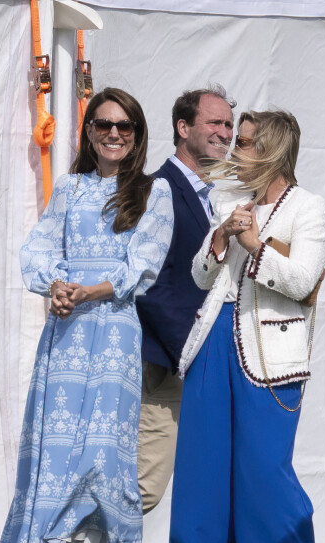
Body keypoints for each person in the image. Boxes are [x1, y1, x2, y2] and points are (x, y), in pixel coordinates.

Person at [0, 87, 173, 543]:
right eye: (103, 125)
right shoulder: (70, 189)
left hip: (114, 334)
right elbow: (37, 249)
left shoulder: (152, 191)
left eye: (124, 126)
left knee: (106, 455)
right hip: (66, 336)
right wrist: (55, 285)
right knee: (58, 452)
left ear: (137, 134)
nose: (113, 134)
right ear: (89, 133)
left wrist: (90, 289)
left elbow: (144, 262)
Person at [170, 109, 325, 543]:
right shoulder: (228, 199)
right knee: (201, 481)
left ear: (272, 152)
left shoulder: (309, 207)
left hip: (270, 357)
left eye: (244, 142)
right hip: (213, 342)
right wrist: (219, 240)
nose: (232, 148)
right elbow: (201, 275)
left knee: (264, 482)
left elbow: (303, 280)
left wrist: (254, 243)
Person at [135, 86, 235, 514]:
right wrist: (191, 351)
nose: (225, 132)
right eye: (215, 122)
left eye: (229, 124)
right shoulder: (156, 190)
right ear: (183, 127)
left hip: (197, 365)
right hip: (163, 362)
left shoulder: (221, 199)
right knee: (143, 486)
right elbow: (148, 282)